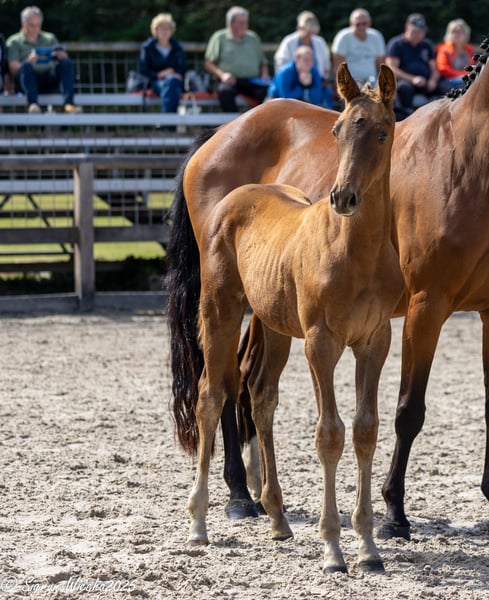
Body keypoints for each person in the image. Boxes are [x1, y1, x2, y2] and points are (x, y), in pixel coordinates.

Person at [6, 6, 79, 114]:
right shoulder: (14, 41)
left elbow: (61, 61)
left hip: (49, 78)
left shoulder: (50, 38)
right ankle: (33, 105)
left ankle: (68, 104)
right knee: (26, 66)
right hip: (27, 81)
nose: (35, 29)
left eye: (38, 25)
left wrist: (62, 56)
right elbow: (13, 68)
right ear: (23, 23)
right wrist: (28, 61)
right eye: (32, 25)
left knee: (66, 63)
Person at [204, 6, 270, 112]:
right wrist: (222, 75)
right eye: (241, 22)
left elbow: (263, 62)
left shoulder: (253, 37)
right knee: (225, 92)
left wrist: (264, 74)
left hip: (251, 81)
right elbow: (208, 63)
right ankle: (234, 121)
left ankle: (260, 121)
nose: (245, 26)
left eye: (246, 22)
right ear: (230, 23)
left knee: (269, 92)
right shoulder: (219, 37)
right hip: (229, 81)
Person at [386, 13, 445, 120]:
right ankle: (407, 117)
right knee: (405, 88)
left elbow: (434, 68)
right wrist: (413, 79)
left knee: (444, 88)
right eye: (416, 31)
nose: (419, 34)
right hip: (406, 82)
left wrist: (433, 80)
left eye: (421, 31)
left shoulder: (427, 45)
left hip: (426, 82)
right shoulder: (396, 44)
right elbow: (391, 69)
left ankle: (438, 116)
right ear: (407, 27)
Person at [138, 13, 186, 113]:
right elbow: (143, 70)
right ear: (155, 30)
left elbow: (182, 68)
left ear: (171, 31)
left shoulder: (177, 47)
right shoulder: (147, 47)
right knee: (171, 87)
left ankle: (167, 120)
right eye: (162, 28)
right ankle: (170, 121)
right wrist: (159, 74)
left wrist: (173, 72)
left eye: (167, 28)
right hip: (155, 82)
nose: (165, 31)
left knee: (172, 83)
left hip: (175, 81)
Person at [331, 8, 386, 86]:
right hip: (350, 84)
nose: (361, 27)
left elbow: (381, 65)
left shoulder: (377, 37)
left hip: (372, 83)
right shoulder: (343, 37)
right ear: (351, 24)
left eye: (364, 23)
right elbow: (338, 67)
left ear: (369, 23)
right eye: (358, 24)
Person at [436, 19, 474, 89]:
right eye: (453, 31)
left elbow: (473, 66)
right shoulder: (444, 49)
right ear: (449, 34)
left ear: (465, 34)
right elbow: (443, 69)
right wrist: (464, 75)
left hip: (466, 78)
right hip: (447, 80)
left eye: (459, 31)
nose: (456, 34)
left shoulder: (469, 49)